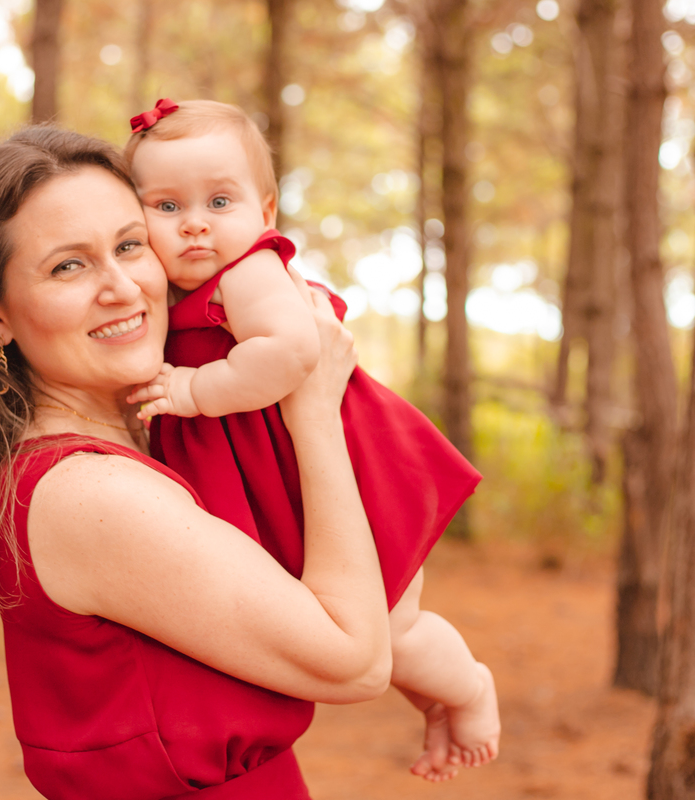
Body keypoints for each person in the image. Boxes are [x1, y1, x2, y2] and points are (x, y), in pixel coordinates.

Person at [0, 126, 396, 799]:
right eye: (68, 266)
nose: (121, 287)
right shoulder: (91, 493)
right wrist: (314, 409)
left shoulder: (159, 440)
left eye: (129, 245)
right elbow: (354, 661)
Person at [124, 99, 500, 779]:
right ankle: (434, 701)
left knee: (394, 626)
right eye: (167, 206)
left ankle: (470, 688)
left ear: (265, 211)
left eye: (219, 201)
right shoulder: (171, 294)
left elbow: (293, 351)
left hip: (339, 468)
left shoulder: (248, 272)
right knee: (343, 624)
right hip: (275, 475)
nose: (195, 223)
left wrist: (192, 391)